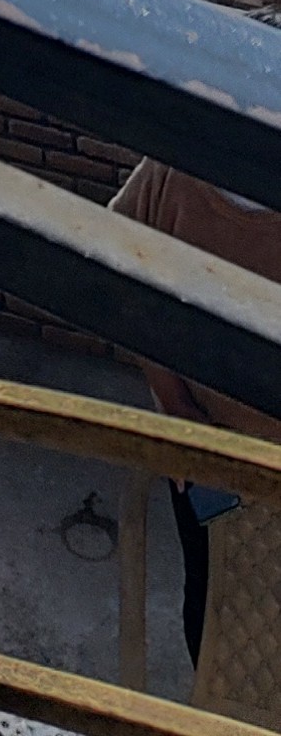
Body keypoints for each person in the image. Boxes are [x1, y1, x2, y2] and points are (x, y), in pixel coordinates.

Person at [108, 146, 281, 669]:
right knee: (211, 600)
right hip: (205, 457)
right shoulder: (174, 169)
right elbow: (125, 277)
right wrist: (178, 408)